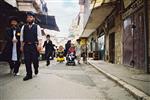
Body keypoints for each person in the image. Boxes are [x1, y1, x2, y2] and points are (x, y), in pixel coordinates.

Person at [20, 12, 42, 81]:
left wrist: (39, 45)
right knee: (27, 60)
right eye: (28, 17)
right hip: (26, 46)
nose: (29, 18)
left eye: (30, 17)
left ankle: (36, 68)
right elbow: (21, 38)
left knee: (35, 60)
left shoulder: (37, 26)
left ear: (33, 18)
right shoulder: (24, 27)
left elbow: (39, 37)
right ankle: (29, 74)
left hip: (34, 46)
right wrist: (21, 46)